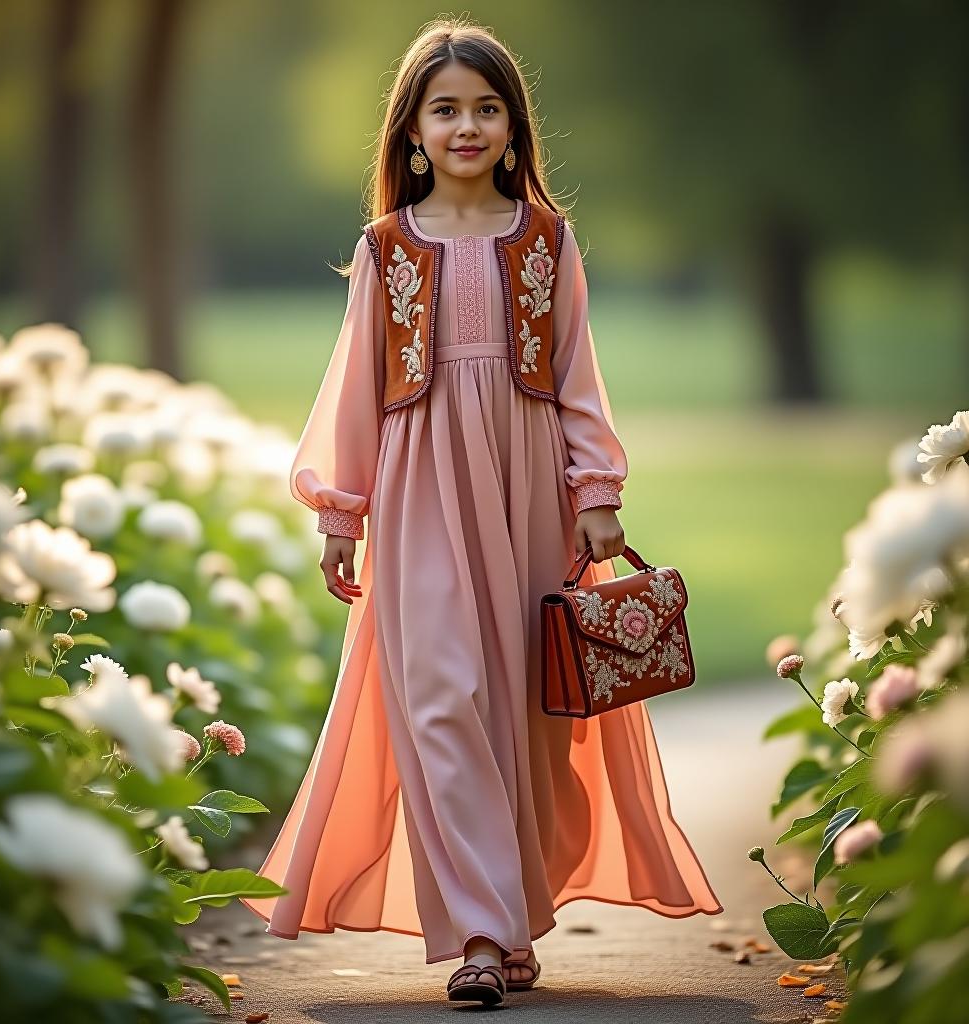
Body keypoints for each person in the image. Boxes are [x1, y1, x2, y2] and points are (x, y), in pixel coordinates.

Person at [240, 16, 723, 1007]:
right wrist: (340, 510)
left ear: (513, 127)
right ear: (411, 132)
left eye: (486, 107)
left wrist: (596, 495)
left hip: (527, 485)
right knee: (438, 694)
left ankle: (510, 917)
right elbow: (353, 387)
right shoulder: (387, 250)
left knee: (520, 707)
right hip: (418, 490)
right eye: (445, 108)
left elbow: (580, 378)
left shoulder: (547, 241)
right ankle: (477, 931)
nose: (467, 125)